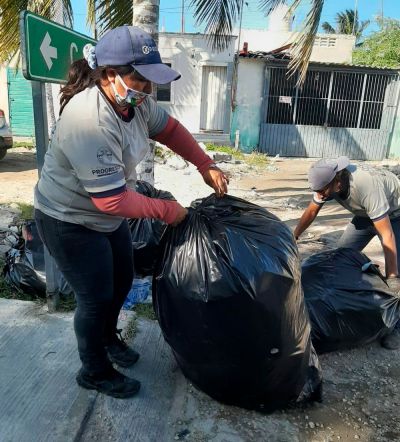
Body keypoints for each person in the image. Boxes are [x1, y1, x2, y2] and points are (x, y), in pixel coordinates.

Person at [34, 26, 229, 399]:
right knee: (95, 297)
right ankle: (93, 369)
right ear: (110, 75)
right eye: (140, 79)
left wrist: (205, 164)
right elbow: (111, 200)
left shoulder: (134, 103)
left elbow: (170, 130)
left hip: (106, 215)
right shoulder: (89, 120)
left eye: (151, 81)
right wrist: (167, 211)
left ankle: (109, 341)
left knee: (121, 281)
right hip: (67, 219)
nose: (148, 89)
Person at [294, 156, 400, 350]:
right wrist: (294, 237)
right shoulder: (326, 183)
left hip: (395, 214)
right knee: (341, 257)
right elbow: (311, 212)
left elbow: (387, 235)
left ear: (338, 182)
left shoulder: (366, 185)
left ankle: (397, 326)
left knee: (397, 271)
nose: (319, 195)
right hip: (364, 215)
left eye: (322, 191)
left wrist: (392, 278)